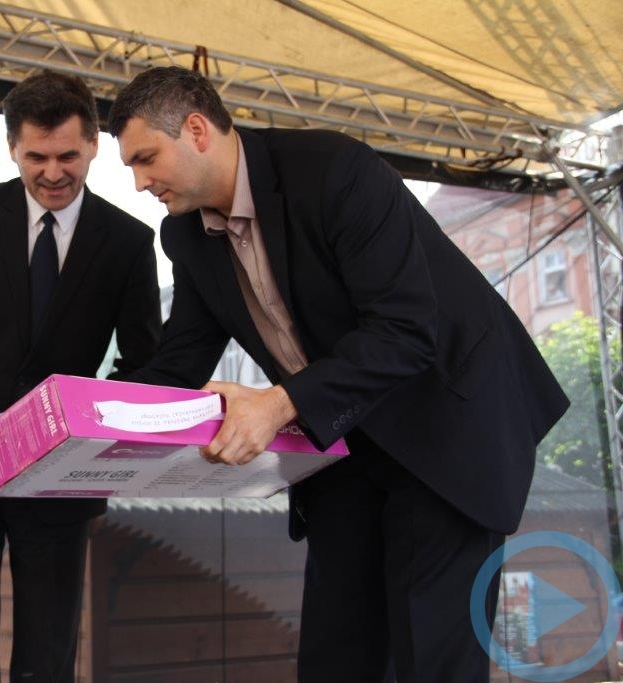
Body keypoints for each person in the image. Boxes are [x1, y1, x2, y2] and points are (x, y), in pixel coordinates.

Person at [108, 66, 569, 682]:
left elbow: (405, 331)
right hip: (343, 442)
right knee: (336, 655)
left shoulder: (333, 170)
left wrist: (275, 405)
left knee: (433, 659)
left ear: (196, 131)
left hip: (445, 429)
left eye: (145, 159)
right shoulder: (186, 236)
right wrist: (75, 419)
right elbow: (179, 362)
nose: (139, 182)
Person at [0, 70, 161, 683]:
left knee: (49, 653)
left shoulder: (130, 242)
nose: (52, 173)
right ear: (11, 148)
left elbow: (142, 363)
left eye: (67, 156)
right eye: (36, 157)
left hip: (60, 474)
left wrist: (89, 439)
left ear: (94, 143)